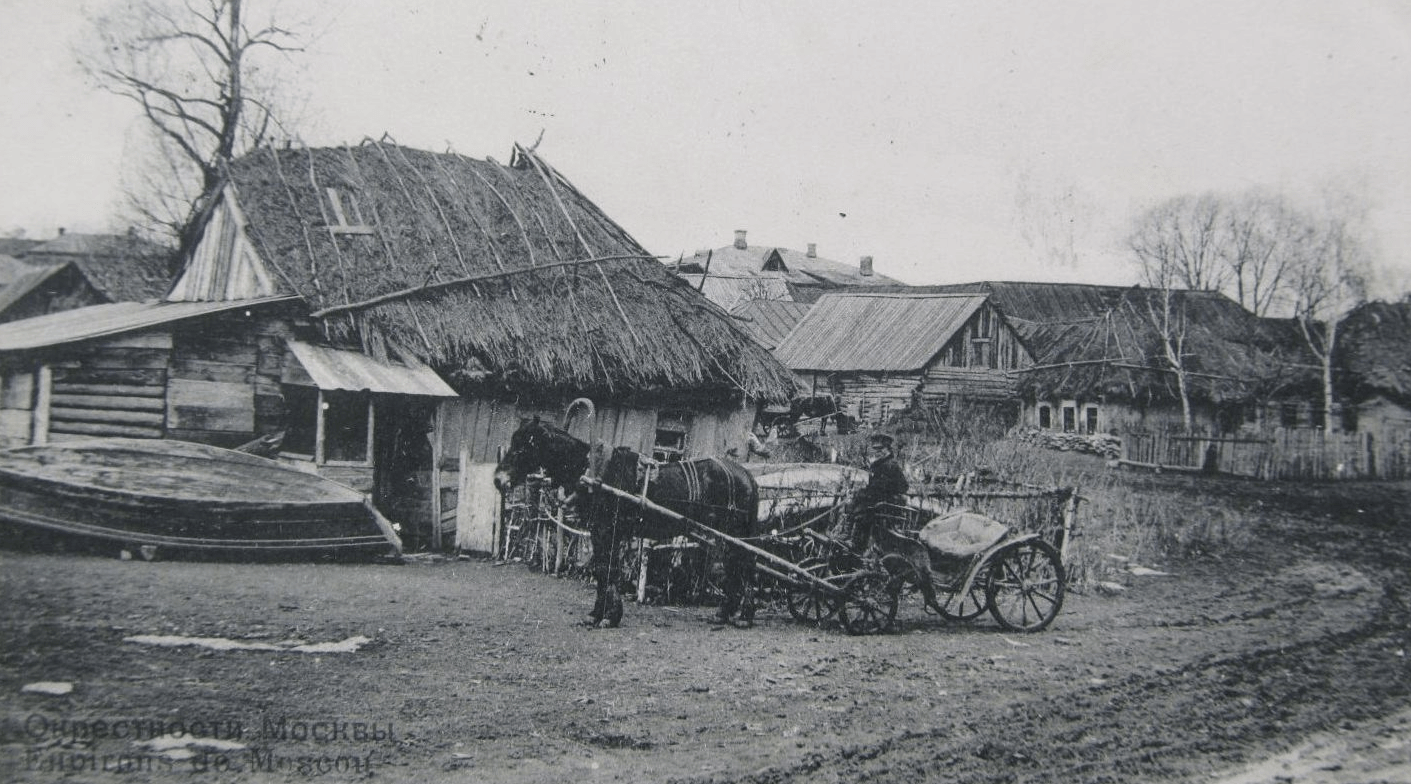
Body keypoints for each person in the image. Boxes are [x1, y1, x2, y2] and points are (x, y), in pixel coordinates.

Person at [845, 433, 908, 553]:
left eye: (880, 449)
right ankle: (850, 538)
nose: (877, 452)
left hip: (886, 503)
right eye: (875, 450)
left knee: (862, 512)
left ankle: (857, 544)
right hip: (878, 500)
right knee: (855, 504)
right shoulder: (880, 465)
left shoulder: (890, 465)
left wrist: (863, 493)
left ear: (887, 449)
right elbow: (874, 487)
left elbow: (903, 486)